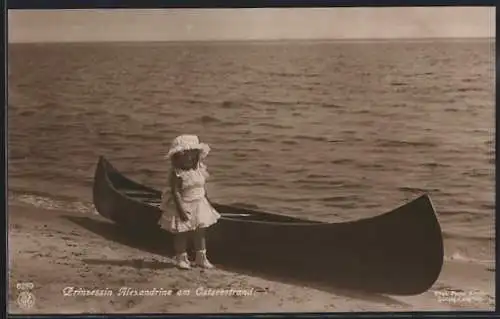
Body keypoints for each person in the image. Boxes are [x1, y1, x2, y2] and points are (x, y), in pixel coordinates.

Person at [160, 134, 221, 270]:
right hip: (184, 204)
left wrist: (209, 202)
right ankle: (181, 257)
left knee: (200, 231)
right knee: (182, 232)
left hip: (199, 203)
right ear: (177, 158)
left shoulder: (199, 169)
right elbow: (175, 192)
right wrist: (181, 210)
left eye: (192, 155)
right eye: (185, 156)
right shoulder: (178, 173)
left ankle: (201, 257)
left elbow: (202, 188)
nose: (190, 159)